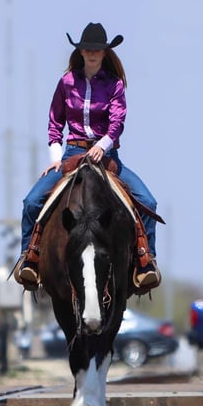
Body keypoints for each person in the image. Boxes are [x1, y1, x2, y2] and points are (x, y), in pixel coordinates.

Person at [14, 22, 161, 292]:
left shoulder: (115, 84)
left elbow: (117, 123)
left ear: (105, 53)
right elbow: (55, 123)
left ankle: (145, 261)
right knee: (31, 201)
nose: (92, 53)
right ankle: (29, 258)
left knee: (148, 201)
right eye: (88, 49)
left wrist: (103, 145)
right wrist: (56, 157)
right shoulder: (66, 83)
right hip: (72, 152)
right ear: (80, 51)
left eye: (97, 49)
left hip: (106, 155)